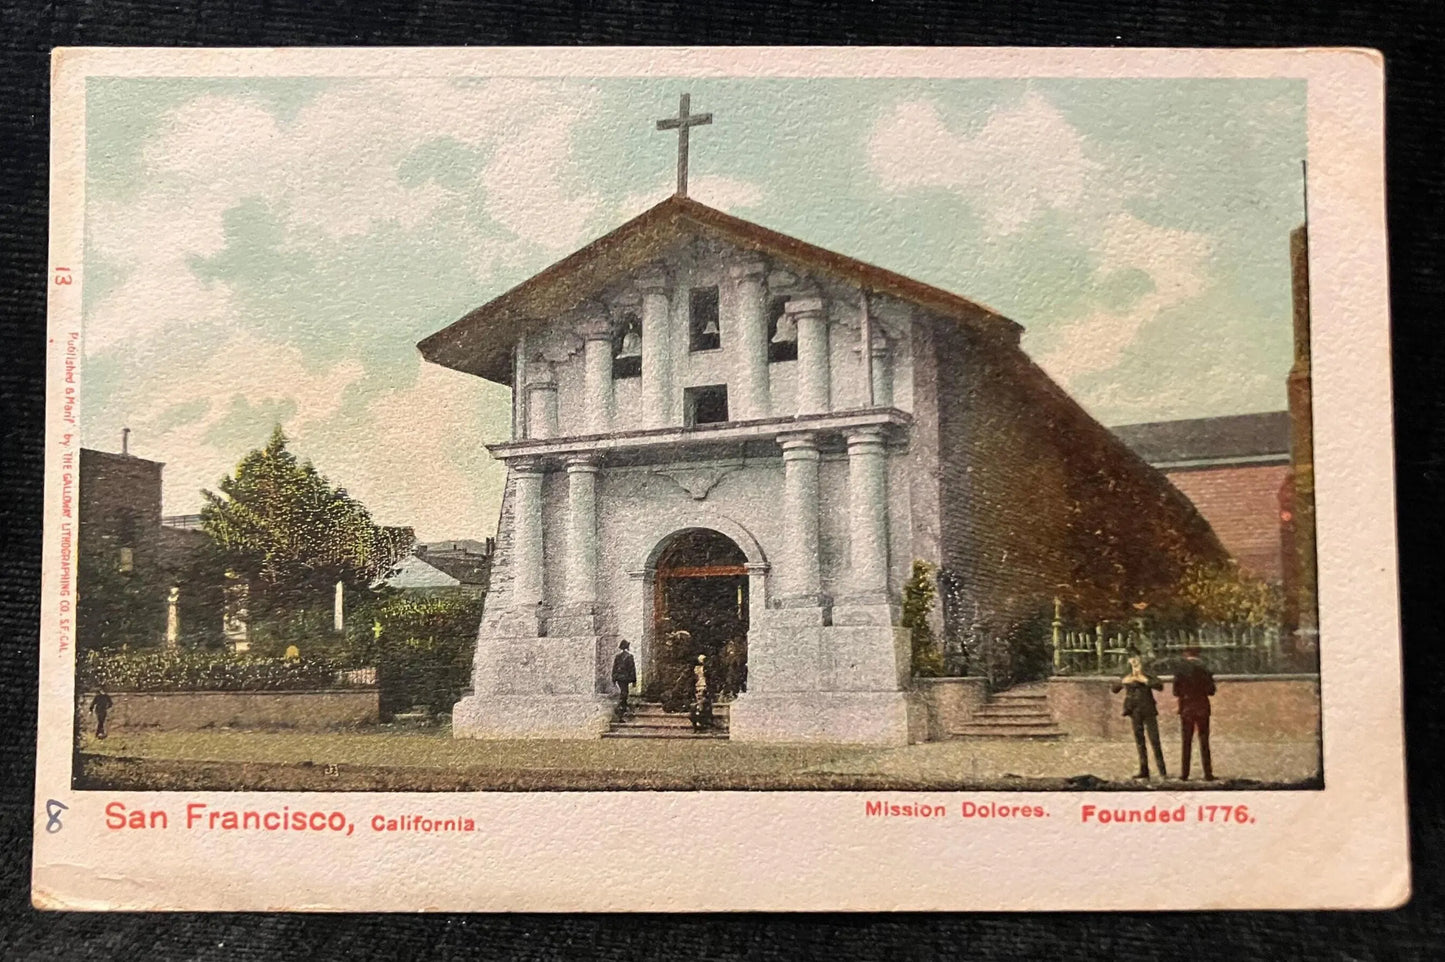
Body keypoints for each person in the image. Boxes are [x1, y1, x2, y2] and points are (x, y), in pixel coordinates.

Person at [1111, 647, 1167, 780]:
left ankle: (1162, 771)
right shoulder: (1126, 672)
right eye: (1131, 658)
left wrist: (1145, 680)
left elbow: (1160, 685)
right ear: (1129, 660)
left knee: (1154, 740)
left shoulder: (1147, 671)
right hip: (1133, 710)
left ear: (1140, 658)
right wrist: (1123, 682)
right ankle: (1144, 770)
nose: (1134, 661)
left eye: (1136, 657)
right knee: (1140, 741)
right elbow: (1114, 689)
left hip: (1148, 709)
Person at [1173, 646, 1217, 781]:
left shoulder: (1180, 670)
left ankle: (1184, 774)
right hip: (1202, 706)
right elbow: (1211, 691)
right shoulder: (1205, 669)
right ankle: (1207, 773)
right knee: (1204, 740)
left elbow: (1176, 692)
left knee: (1186, 741)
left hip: (1187, 707)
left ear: (1186, 654)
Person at [610, 640, 637, 721]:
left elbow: (614, 668)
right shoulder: (629, 656)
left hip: (619, 678)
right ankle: (621, 709)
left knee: (624, 692)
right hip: (625, 678)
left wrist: (614, 678)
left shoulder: (618, 656)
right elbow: (632, 669)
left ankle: (623, 707)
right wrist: (634, 680)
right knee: (624, 692)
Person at [690, 654, 714, 731]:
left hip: (704, 686)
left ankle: (702, 721)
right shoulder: (697, 668)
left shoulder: (706, 669)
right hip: (699, 685)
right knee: (696, 706)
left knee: (702, 705)